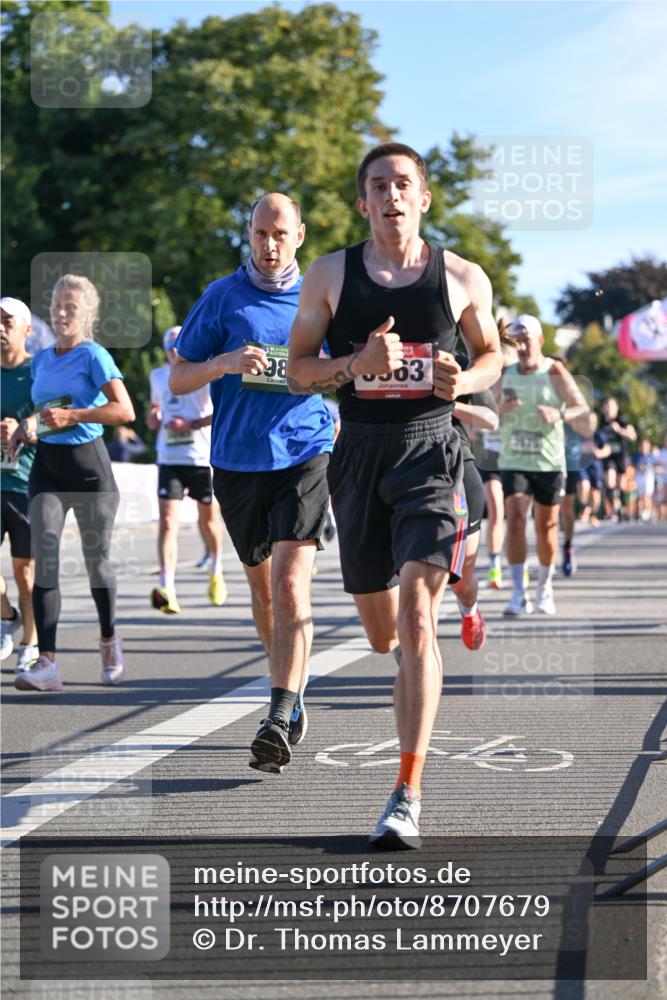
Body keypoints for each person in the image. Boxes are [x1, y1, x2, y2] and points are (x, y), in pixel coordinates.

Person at [287, 142, 502, 848]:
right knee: (382, 633)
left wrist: (461, 381)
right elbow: (295, 371)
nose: (390, 196)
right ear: (361, 203)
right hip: (357, 456)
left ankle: (405, 791)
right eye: (377, 186)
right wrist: (355, 363)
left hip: (433, 451)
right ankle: (404, 684)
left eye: (402, 184)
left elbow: (492, 354)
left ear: (424, 198)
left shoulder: (462, 276)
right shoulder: (328, 275)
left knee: (416, 616)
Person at [169, 193, 334, 770]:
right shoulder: (220, 297)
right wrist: (224, 363)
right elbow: (179, 373)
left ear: (300, 236)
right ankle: (290, 686)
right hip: (237, 462)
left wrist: (325, 378)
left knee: (291, 586)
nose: (270, 245)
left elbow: (344, 371)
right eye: (261, 233)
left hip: (304, 453)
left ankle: (278, 711)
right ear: (249, 233)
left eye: (280, 234)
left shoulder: (319, 297)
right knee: (264, 591)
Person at [8, 274, 135, 692]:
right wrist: (23, 430)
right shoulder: (42, 360)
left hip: (88, 469)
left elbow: (124, 410)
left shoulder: (94, 356)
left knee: (96, 561)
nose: (61, 314)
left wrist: (75, 416)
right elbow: (43, 412)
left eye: (71, 308)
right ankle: (47, 662)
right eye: (57, 306)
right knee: (45, 558)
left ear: (87, 315)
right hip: (46, 468)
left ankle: (108, 639)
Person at [497, 315, 588, 617]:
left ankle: (545, 589)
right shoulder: (505, 372)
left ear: (539, 340)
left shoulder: (554, 371)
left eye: (526, 339)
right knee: (515, 519)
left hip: (548, 460)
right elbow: (486, 409)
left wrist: (559, 414)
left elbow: (581, 408)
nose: (521, 345)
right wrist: (501, 407)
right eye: (516, 340)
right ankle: (518, 593)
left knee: (546, 525)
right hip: (514, 458)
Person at [147, 325, 227, 613]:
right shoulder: (157, 376)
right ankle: (167, 585)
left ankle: (216, 569)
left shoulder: (203, 375)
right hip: (169, 457)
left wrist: (191, 425)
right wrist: (153, 419)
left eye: (177, 349)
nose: (172, 354)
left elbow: (218, 412)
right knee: (168, 522)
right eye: (169, 349)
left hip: (200, 458)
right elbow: (156, 410)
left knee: (207, 521)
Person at [451, 349, 499, 649]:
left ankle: (470, 610)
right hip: (398, 466)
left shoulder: (458, 360)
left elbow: (490, 420)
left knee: (460, 575)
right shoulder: (379, 347)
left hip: (458, 465)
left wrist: (450, 404)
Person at [1, 297, 39, 669]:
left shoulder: (39, 372)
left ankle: (30, 643)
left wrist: (26, 430)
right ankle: (6, 616)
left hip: (26, 483)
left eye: (7, 322)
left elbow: (58, 422)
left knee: (24, 572)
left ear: (26, 330)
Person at [598, 397, 637, 521]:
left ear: (616, 408)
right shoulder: (601, 422)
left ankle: (622, 508)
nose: (609, 409)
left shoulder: (622, 420)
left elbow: (633, 436)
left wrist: (619, 430)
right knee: (610, 481)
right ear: (604, 408)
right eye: (607, 406)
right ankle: (614, 507)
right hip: (608, 456)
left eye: (611, 406)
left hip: (622, 456)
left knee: (622, 485)